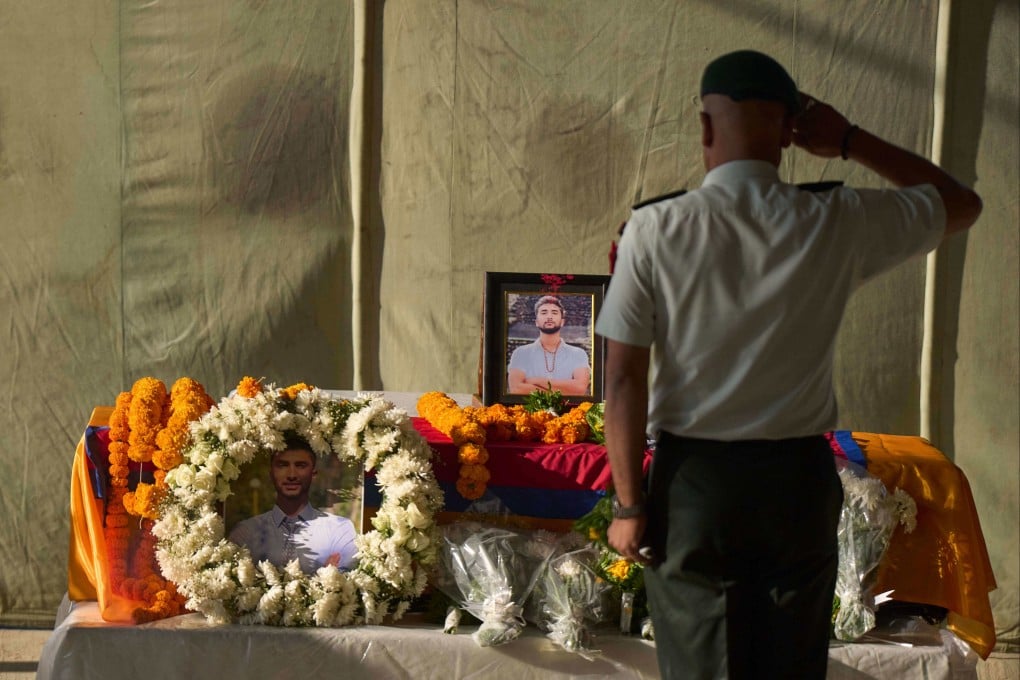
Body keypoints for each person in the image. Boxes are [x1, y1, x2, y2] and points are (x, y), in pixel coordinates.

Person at [595, 49, 981, 679]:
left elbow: (622, 377)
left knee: (701, 664)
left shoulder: (655, 228)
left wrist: (631, 506)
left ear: (705, 129)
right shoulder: (835, 218)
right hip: (795, 481)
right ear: (789, 132)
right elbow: (959, 203)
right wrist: (852, 141)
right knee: (790, 665)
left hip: (696, 483)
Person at [229, 435, 359, 574]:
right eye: (283, 465)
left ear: (313, 474)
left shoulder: (339, 529)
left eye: (300, 465)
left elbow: (342, 586)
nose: (291, 475)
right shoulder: (245, 533)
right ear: (272, 474)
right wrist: (320, 575)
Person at [507, 295, 592, 395]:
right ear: (536, 322)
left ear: (562, 322)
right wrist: (563, 391)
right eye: (544, 312)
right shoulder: (521, 353)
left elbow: (579, 389)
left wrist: (536, 381)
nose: (549, 316)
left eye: (554, 312)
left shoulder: (578, 354)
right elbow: (516, 389)